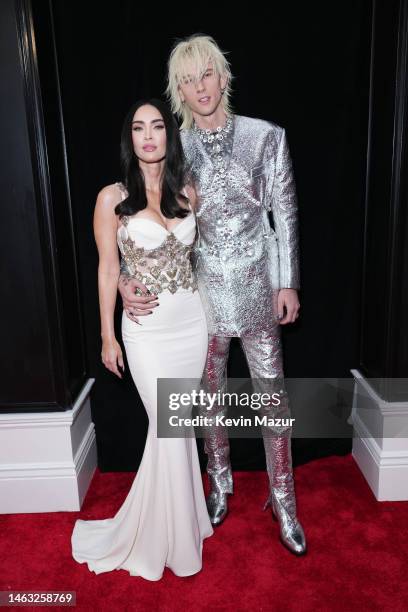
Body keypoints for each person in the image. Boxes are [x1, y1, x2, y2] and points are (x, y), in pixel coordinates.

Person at [118, 34, 307, 555]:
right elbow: (136, 211)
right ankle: (218, 485)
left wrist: (287, 280)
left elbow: (283, 213)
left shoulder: (266, 137)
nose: (199, 87)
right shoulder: (174, 145)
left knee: (274, 400)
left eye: (206, 74)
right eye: (187, 80)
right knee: (209, 401)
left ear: (223, 76)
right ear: (178, 90)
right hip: (198, 298)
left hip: (258, 288)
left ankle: (284, 499)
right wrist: (120, 276)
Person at [71, 98, 213, 581]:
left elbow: (206, 260)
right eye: (138, 127)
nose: (148, 135)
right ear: (129, 139)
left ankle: (180, 523)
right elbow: (108, 267)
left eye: (157, 126)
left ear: (169, 136)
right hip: (147, 333)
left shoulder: (189, 191)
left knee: (175, 429)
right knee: (169, 425)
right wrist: (108, 334)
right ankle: (169, 543)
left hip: (192, 324)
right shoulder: (111, 197)